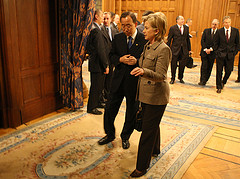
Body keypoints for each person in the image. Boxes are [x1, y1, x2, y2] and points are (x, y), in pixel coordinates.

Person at [130, 12, 171, 177]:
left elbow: (161, 75)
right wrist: (135, 62)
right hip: (145, 94)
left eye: (146, 28)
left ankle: (141, 166)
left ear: (156, 31)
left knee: (147, 130)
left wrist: (143, 71)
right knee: (153, 124)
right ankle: (155, 150)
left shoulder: (163, 49)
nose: (143, 30)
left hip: (156, 96)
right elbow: (144, 63)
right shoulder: (147, 45)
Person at [98, 12, 147, 149]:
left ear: (136, 24)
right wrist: (120, 59)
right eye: (123, 25)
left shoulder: (143, 40)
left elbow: (148, 61)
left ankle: (125, 137)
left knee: (131, 111)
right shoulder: (118, 38)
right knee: (109, 109)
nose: (125, 29)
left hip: (134, 82)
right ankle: (109, 134)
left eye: (128, 26)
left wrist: (137, 61)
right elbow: (111, 56)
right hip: (118, 81)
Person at [86, 9, 109, 115]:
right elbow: (100, 49)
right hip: (97, 64)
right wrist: (105, 64)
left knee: (99, 85)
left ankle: (98, 102)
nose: (102, 19)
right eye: (101, 16)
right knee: (96, 86)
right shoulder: (95, 29)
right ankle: (91, 107)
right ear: (96, 16)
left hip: (96, 62)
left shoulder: (95, 28)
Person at [214, 16, 239, 93]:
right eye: (225, 22)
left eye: (228, 22)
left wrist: (234, 52)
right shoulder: (219, 31)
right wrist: (217, 52)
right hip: (220, 55)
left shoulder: (235, 31)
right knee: (219, 71)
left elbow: (238, 43)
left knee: (229, 70)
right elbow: (215, 43)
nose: (227, 24)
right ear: (223, 23)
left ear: (230, 22)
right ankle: (218, 86)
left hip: (230, 55)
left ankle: (223, 82)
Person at [167, 16, 191, 84]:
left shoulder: (186, 28)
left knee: (182, 64)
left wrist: (189, 49)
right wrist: (168, 49)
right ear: (177, 20)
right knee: (173, 64)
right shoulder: (173, 28)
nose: (183, 20)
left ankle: (180, 77)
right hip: (175, 49)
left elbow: (187, 39)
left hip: (184, 49)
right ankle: (173, 78)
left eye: (183, 19)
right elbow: (169, 39)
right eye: (181, 19)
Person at [198, 19, 219, 86]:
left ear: (218, 25)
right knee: (204, 66)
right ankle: (202, 80)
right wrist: (205, 49)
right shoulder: (206, 31)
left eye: (215, 24)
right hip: (204, 52)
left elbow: (218, 43)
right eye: (213, 24)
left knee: (209, 67)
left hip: (212, 53)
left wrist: (211, 49)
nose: (214, 26)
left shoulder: (219, 33)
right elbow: (202, 41)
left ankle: (206, 79)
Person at [101, 12, 115, 101]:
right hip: (104, 59)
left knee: (110, 79)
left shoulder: (113, 29)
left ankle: (108, 96)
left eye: (107, 19)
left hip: (111, 59)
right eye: (104, 19)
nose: (105, 21)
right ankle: (102, 98)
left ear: (111, 19)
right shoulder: (100, 30)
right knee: (103, 80)